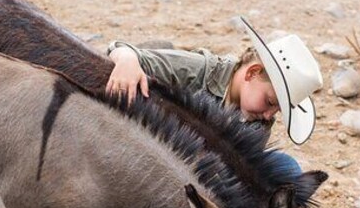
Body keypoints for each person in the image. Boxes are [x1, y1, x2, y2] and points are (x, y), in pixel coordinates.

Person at [105, 17, 323, 147]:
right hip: (156, 147)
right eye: (270, 101)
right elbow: (126, 51)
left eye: (277, 110)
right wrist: (126, 60)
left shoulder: (260, 122)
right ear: (252, 73)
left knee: (287, 168)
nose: (269, 115)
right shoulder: (201, 69)